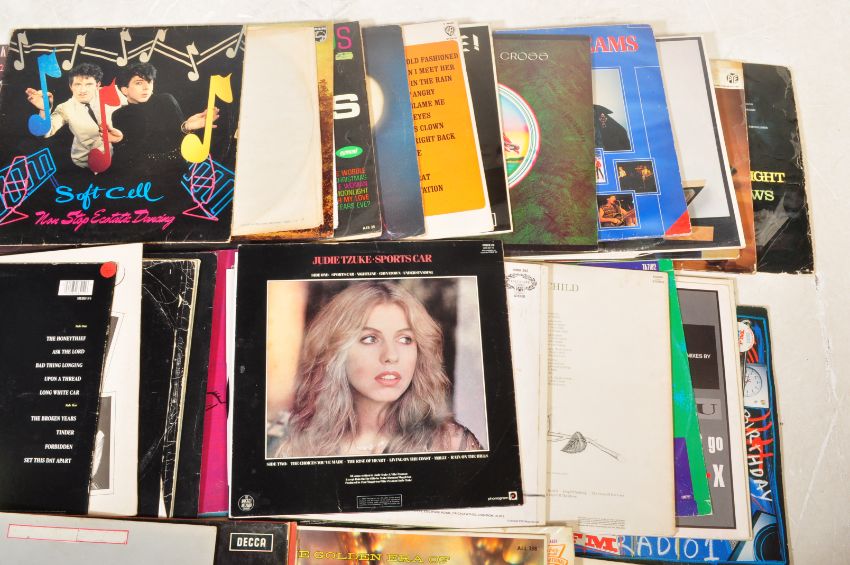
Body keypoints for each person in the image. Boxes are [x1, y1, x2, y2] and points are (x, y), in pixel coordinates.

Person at [268, 281, 482, 457]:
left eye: (405, 339)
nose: (391, 355)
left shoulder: (452, 443)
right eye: (370, 338)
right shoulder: (293, 445)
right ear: (336, 351)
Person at [111, 62, 218, 167]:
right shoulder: (119, 115)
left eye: (149, 82)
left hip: (173, 169)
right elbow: (125, 156)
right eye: (139, 83)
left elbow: (179, 141)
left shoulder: (166, 100)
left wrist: (187, 127)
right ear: (125, 90)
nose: (146, 87)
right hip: (140, 173)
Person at [25, 62, 125, 169]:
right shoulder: (65, 108)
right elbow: (46, 131)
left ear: (97, 85)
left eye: (89, 84)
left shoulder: (109, 94)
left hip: (110, 158)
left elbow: (131, 96)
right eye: (77, 85)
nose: (83, 90)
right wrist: (44, 109)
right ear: (71, 86)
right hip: (82, 163)